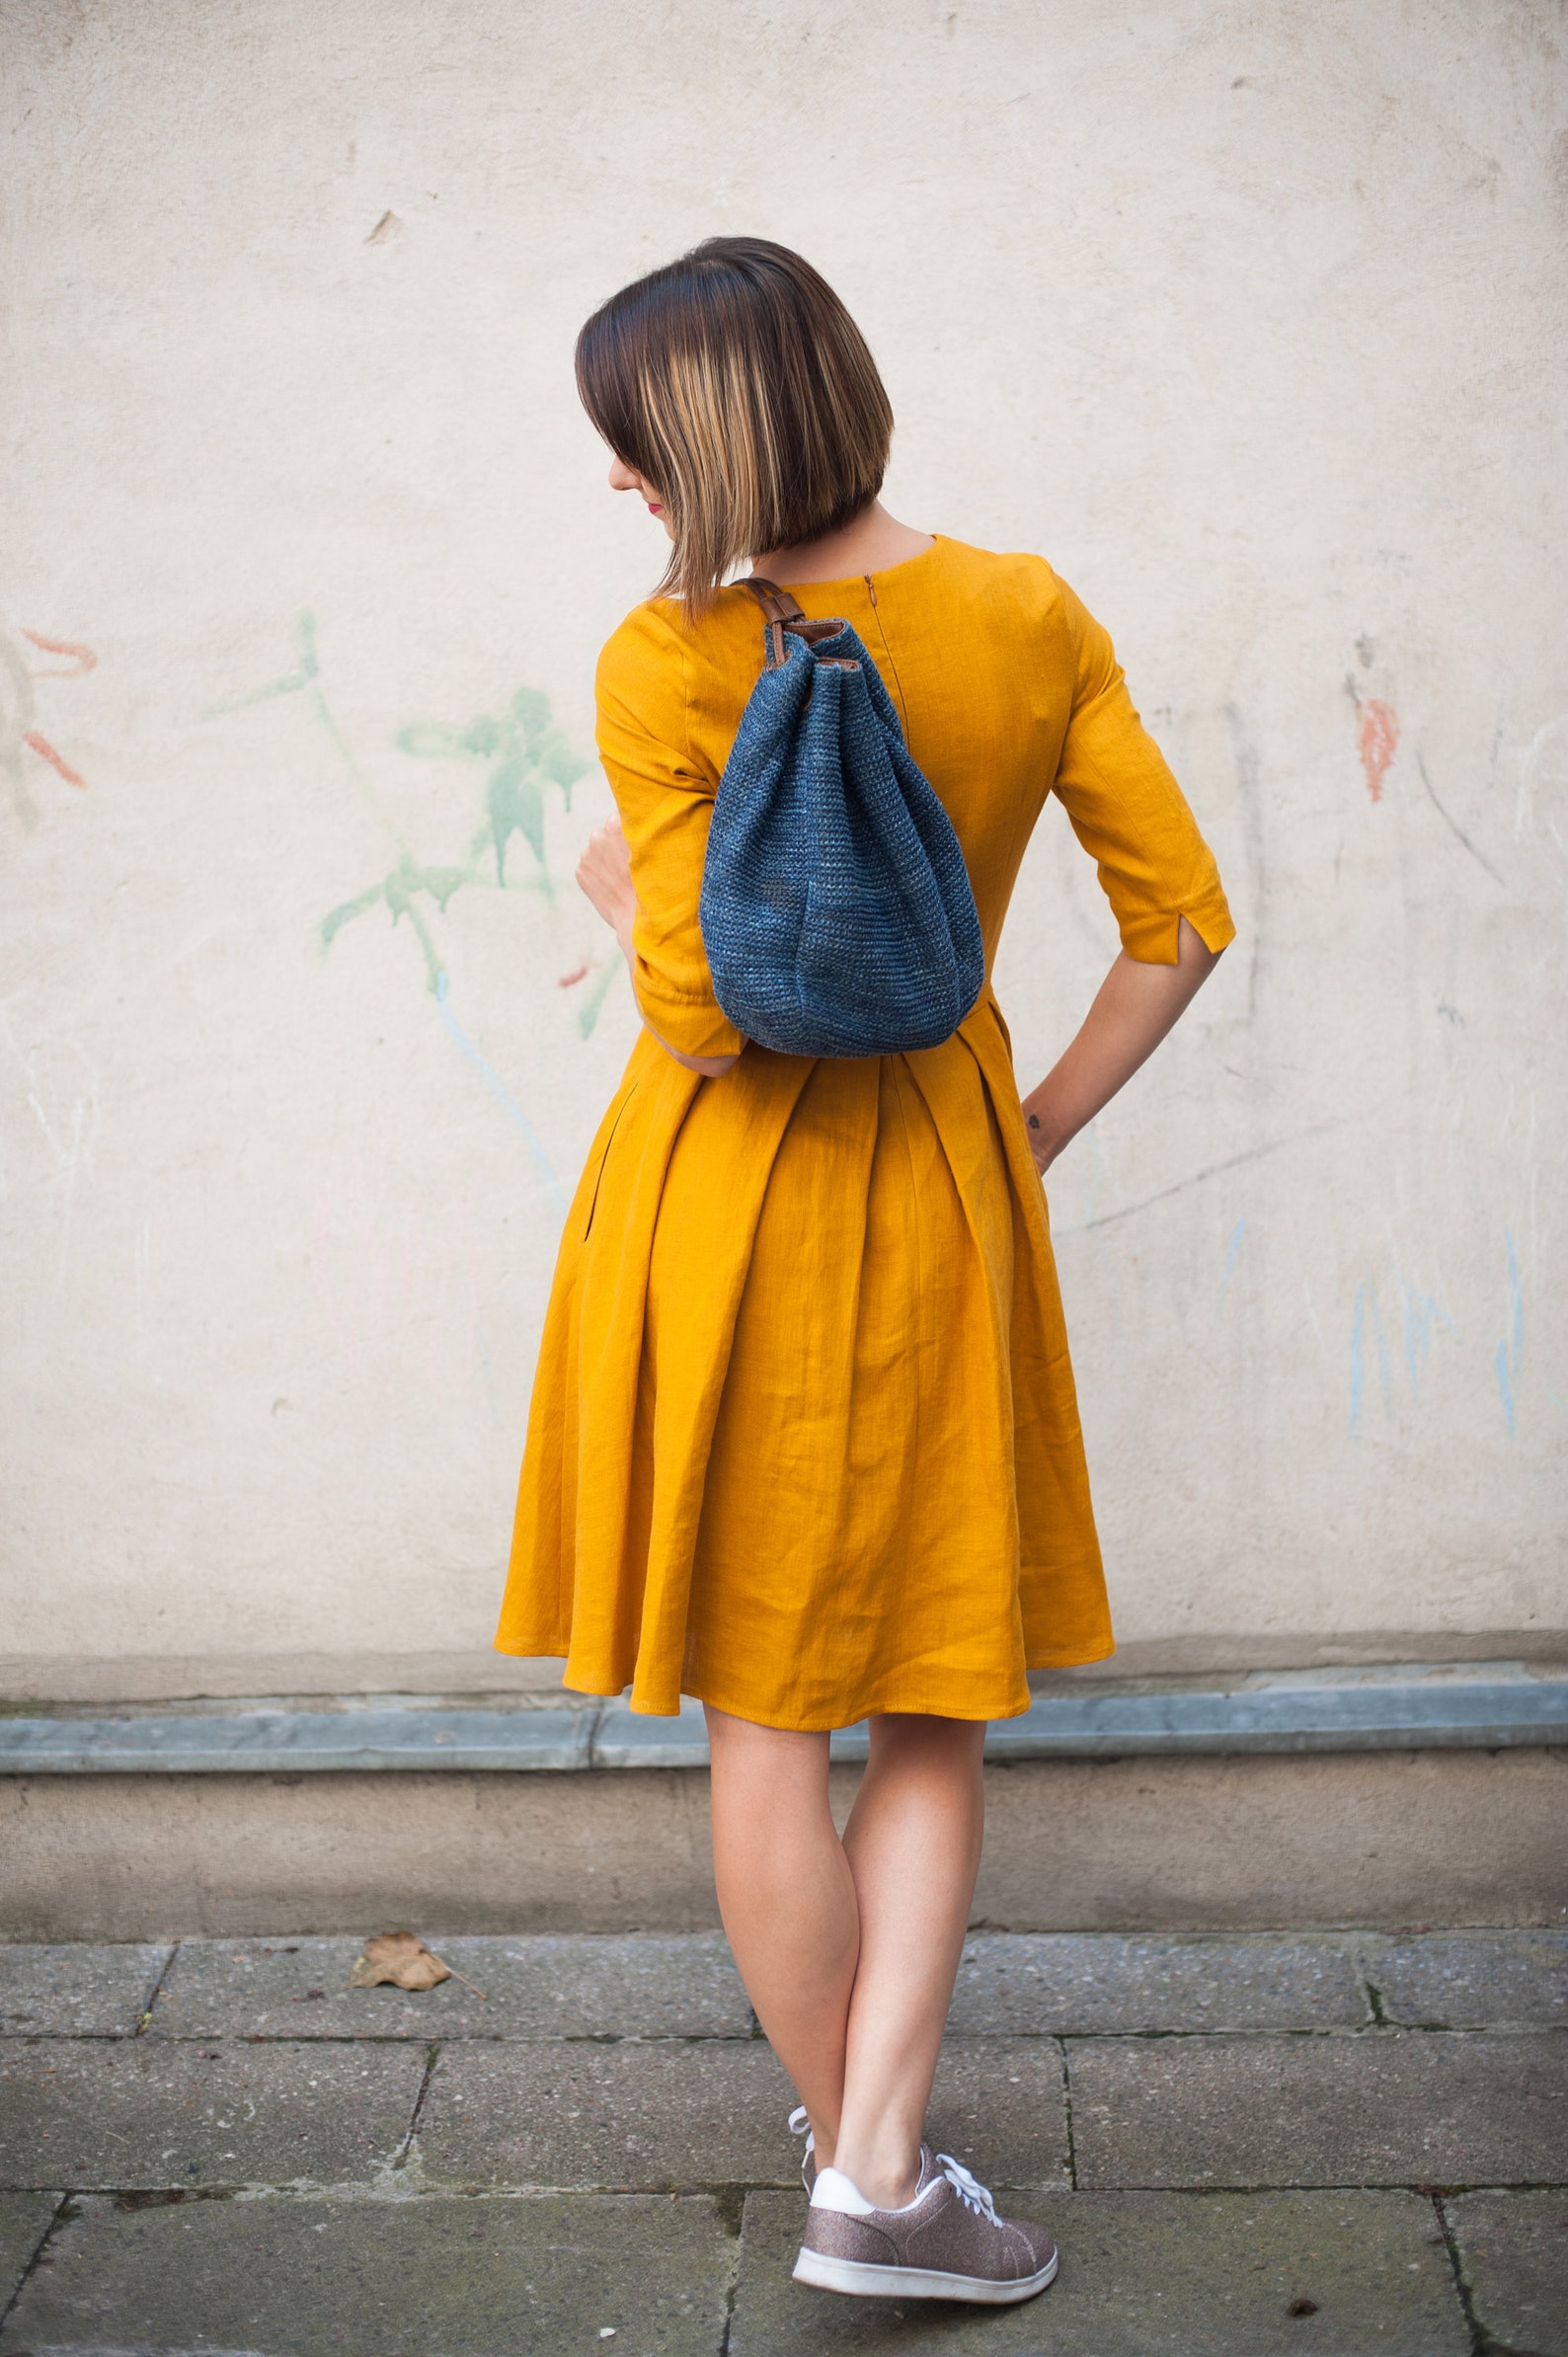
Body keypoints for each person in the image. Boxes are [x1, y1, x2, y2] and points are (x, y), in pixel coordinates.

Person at [496, 235, 1233, 2305]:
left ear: (680, 457)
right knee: (925, 1706)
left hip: (712, 1212)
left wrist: (627, 854)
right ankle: (885, 2177)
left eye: (625, 455)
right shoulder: (1019, 613)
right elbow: (1175, 921)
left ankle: (870, 2180)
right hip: (929, 1192)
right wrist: (1030, 1128)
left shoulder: (662, 662)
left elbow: (706, 1014)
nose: (620, 495)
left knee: (760, 1724)